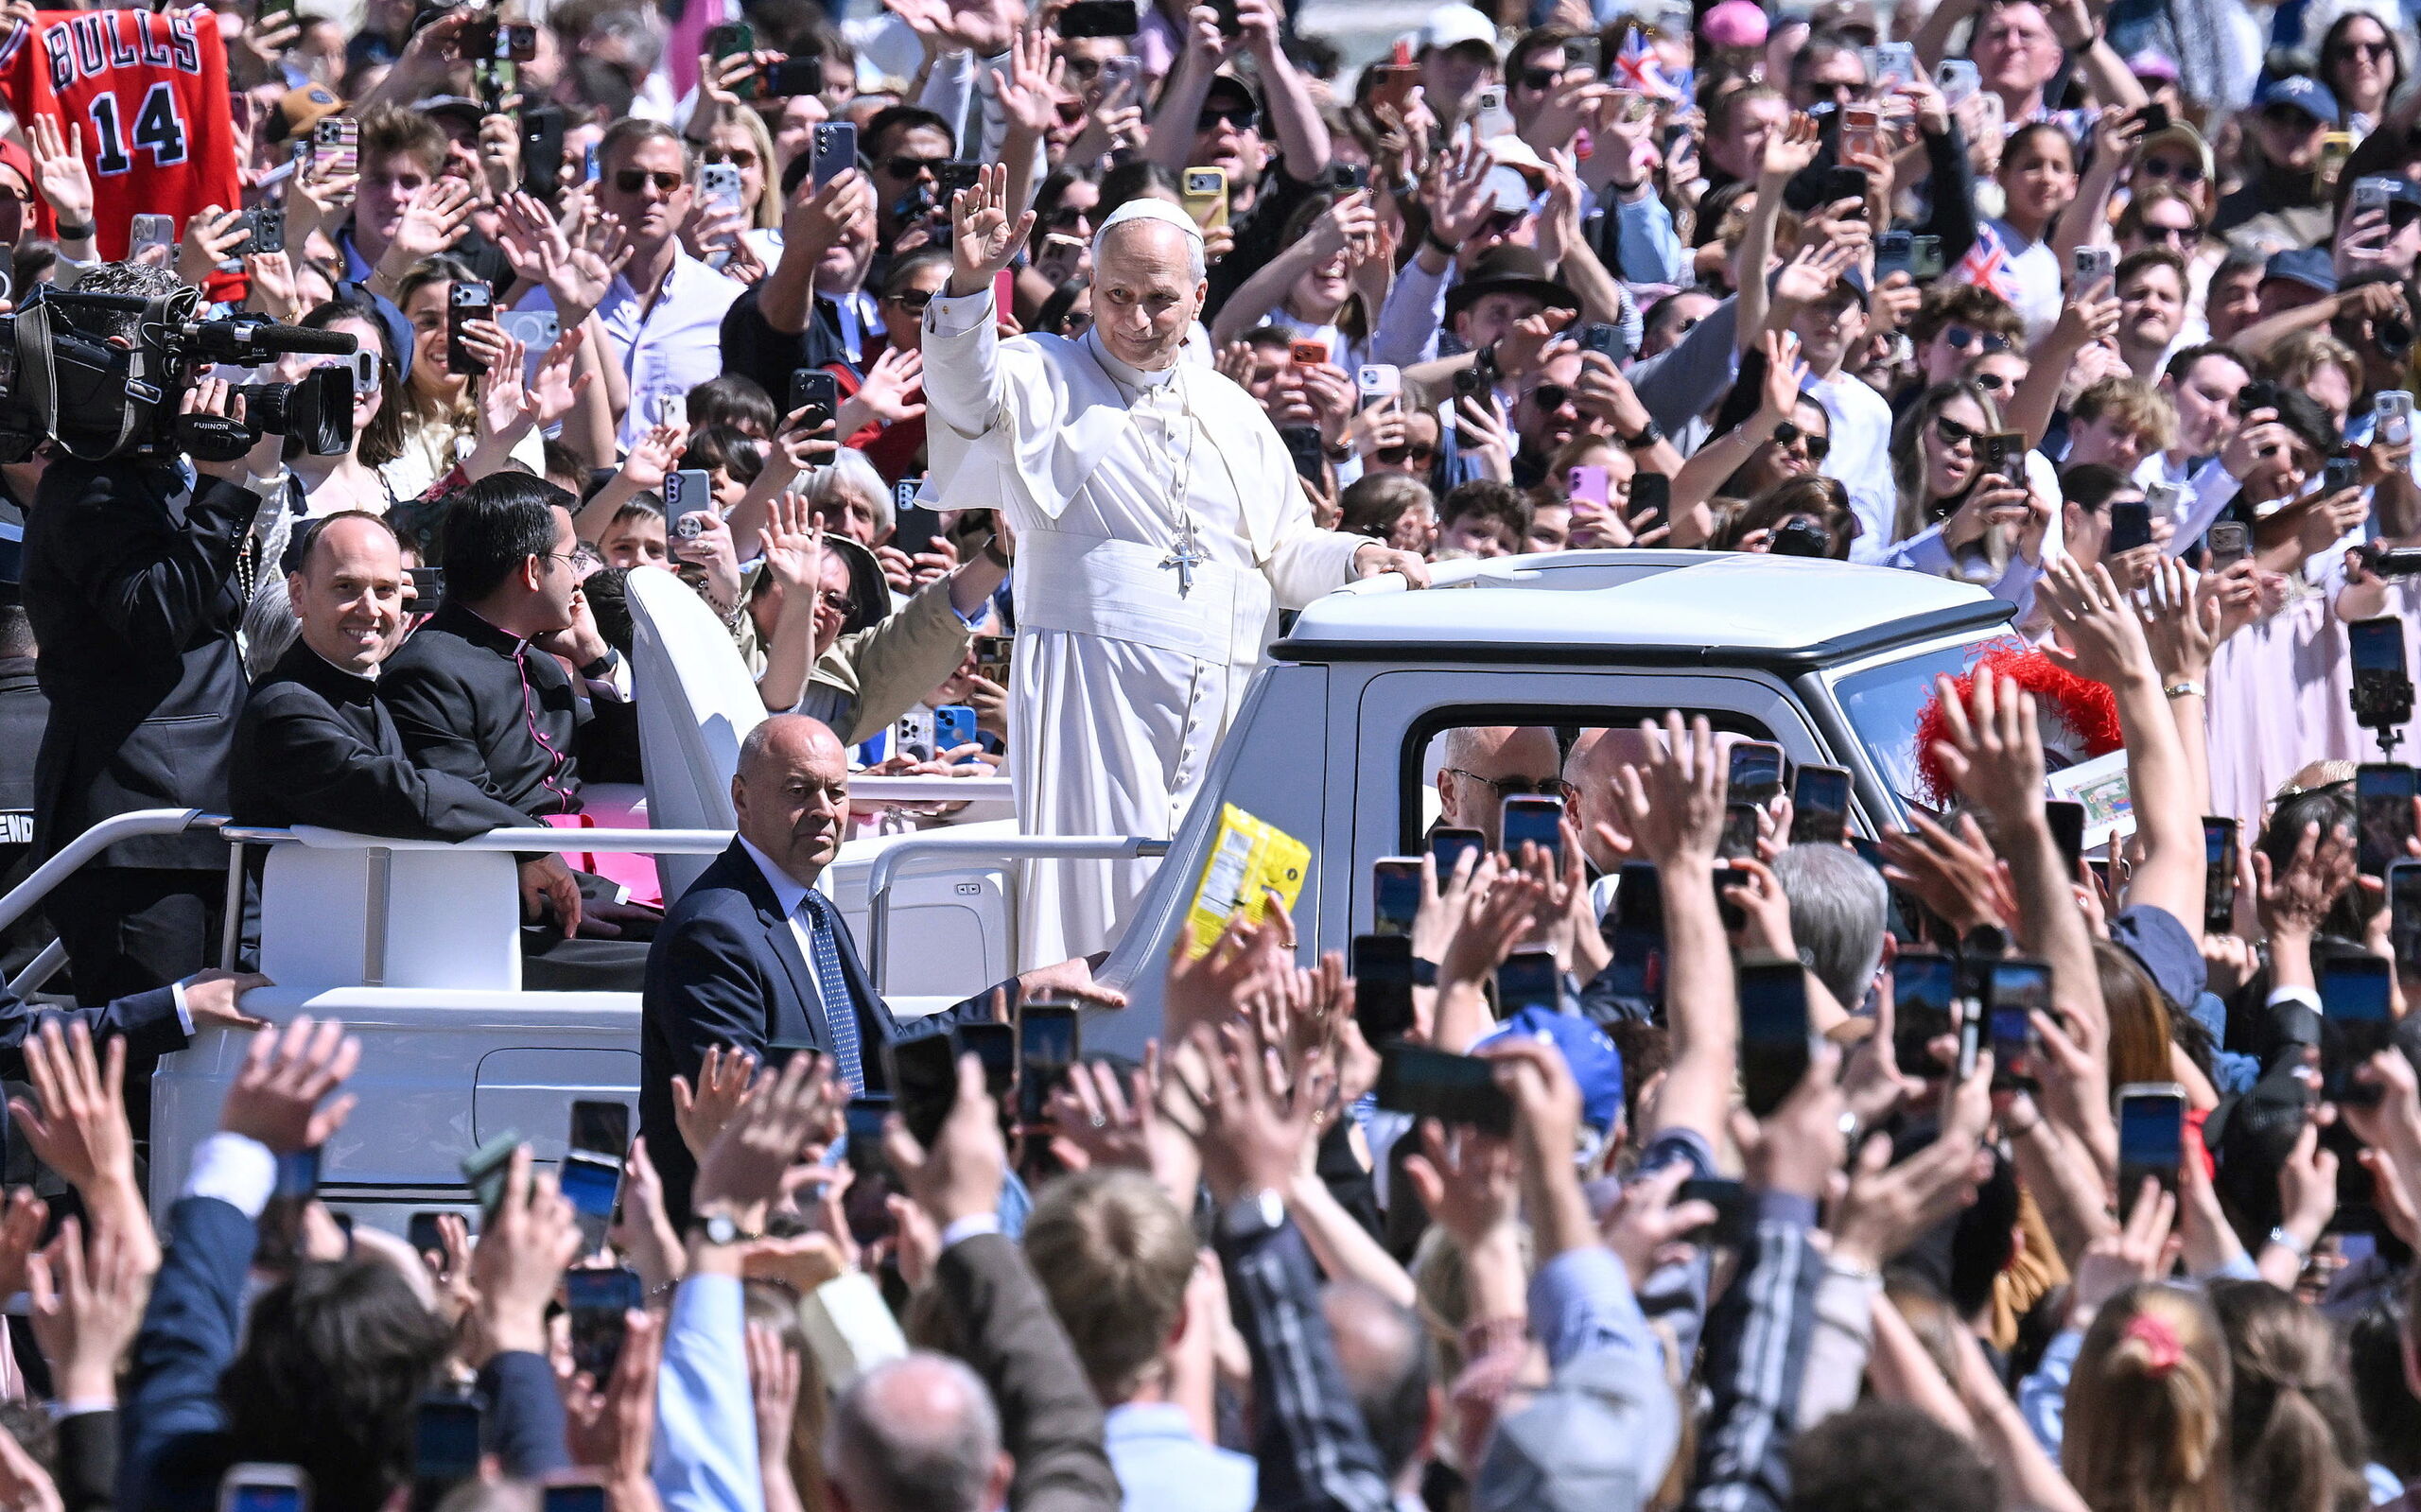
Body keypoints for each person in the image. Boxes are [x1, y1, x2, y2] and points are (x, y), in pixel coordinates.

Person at [919, 172, 1427, 961]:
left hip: (1229, 699)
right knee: (1102, 916)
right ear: (1091, 286)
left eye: (1159, 298)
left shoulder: (1233, 410)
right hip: (1096, 689)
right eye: (1116, 296)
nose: (1136, 319)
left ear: (1197, 297)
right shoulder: (1043, 373)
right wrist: (970, 285)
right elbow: (964, 391)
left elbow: (1287, 552)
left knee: (1219, 924)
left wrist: (1360, 553)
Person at [638, 714, 1114, 1222]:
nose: (824, 811)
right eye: (799, 791)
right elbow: (748, 1121)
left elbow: (884, 1052)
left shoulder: (813, 911)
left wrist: (1026, 992)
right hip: (748, 1236)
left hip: (831, 1206)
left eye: (837, 793)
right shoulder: (712, 933)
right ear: (742, 798)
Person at [21, 262, 289, 1004]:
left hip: (214, 817)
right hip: (134, 834)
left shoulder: (165, 475)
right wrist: (223, 485)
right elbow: (155, 617)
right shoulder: (89, 485)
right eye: (181, 350)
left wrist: (238, 473)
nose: (199, 368)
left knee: (231, 1059)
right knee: (150, 1071)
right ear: (121, 350)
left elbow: (218, 604)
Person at [232, 512, 582, 929]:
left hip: (422, 928)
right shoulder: (285, 708)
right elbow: (408, 796)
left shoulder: (361, 689)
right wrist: (527, 841)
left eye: (385, 590)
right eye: (346, 587)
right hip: (345, 958)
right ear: (299, 594)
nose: (369, 609)